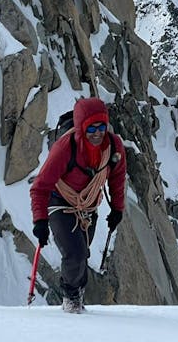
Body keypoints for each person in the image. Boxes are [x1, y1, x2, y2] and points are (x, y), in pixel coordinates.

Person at [30, 96, 126, 313]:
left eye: (102, 126)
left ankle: (77, 300)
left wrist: (117, 208)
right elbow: (40, 187)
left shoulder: (113, 146)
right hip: (60, 203)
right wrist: (40, 221)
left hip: (88, 207)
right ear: (82, 127)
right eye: (91, 128)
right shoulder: (66, 147)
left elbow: (117, 177)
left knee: (83, 254)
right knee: (75, 254)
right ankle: (71, 302)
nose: (98, 133)